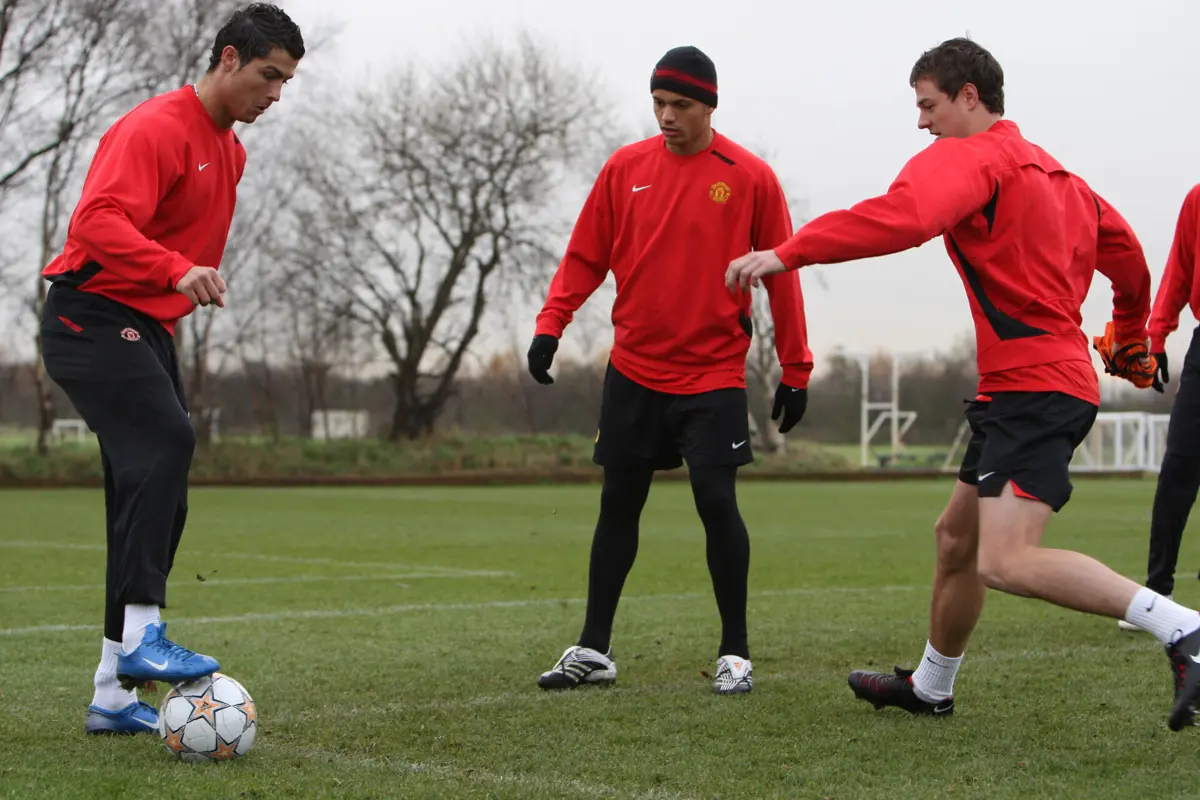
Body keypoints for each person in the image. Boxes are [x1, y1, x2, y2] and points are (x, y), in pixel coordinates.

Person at [725, 37, 1200, 730]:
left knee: (1005, 562)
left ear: (969, 97)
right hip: (1029, 387)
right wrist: (1128, 332)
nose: (921, 122)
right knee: (956, 539)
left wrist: (787, 253)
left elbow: (904, 217)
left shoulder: (973, 157)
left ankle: (1184, 628)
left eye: (928, 105)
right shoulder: (1066, 179)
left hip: (1036, 388)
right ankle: (932, 685)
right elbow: (1128, 262)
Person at [40, 3, 304, 736]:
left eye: (285, 81)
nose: (275, 95)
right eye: (266, 75)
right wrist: (177, 267)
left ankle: (113, 693)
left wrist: (178, 280)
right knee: (167, 443)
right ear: (226, 59)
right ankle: (145, 637)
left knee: (149, 495)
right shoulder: (155, 127)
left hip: (143, 329)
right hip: (87, 315)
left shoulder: (233, 151)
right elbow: (94, 222)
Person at [527, 45, 814, 695]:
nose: (666, 116)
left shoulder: (750, 177)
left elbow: (782, 277)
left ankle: (735, 653)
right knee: (617, 507)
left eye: (680, 105)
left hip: (712, 375)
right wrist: (552, 325)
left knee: (716, 501)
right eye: (658, 103)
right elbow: (583, 258)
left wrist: (796, 367)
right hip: (633, 370)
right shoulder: (624, 169)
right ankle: (594, 650)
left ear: (709, 104)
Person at [1117, 185, 1200, 632]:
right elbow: (1180, 271)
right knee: (1179, 467)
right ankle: (1158, 591)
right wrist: (1160, 334)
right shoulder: (1197, 199)